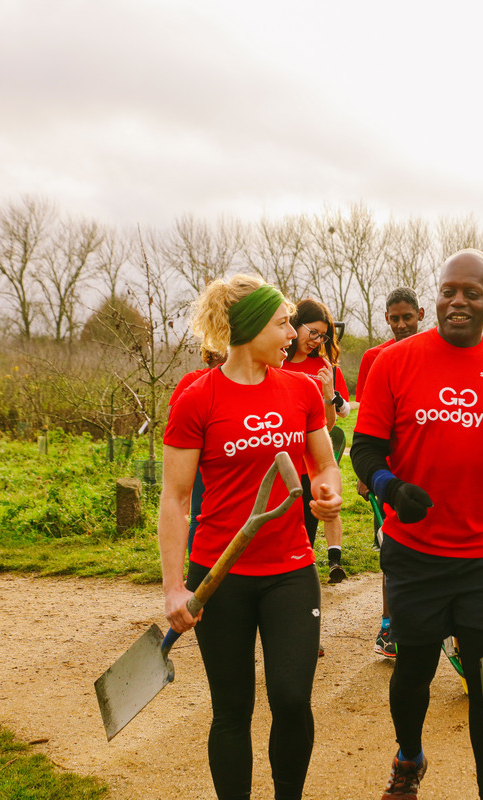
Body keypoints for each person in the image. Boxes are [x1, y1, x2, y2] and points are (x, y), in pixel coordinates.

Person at [351, 249, 483, 800]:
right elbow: (365, 449)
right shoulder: (395, 362)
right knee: (412, 672)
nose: (457, 301)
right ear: (435, 294)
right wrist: (390, 488)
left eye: (471, 292)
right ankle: (410, 756)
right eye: (448, 291)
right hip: (415, 552)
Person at [159, 275, 343, 800]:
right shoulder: (197, 399)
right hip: (219, 577)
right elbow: (174, 499)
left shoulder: (302, 390)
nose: (293, 334)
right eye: (282, 323)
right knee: (232, 709)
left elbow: (324, 465)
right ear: (248, 329)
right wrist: (175, 588)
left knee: (290, 698)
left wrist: (326, 493)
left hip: (289, 571)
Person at [354, 287, 425, 658]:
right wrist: (368, 475)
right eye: (394, 319)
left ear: (421, 315)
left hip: (421, 467)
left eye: (407, 318)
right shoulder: (374, 358)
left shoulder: (431, 355)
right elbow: (367, 422)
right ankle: (390, 623)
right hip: (386, 473)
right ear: (386, 319)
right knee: (390, 548)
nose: (401, 325)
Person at [281, 298, 352, 583]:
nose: (317, 340)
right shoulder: (274, 361)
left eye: (323, 336)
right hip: (274, 463)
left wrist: (327, 394)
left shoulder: (324, 367)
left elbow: (330, 424)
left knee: (305, 537)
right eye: (313, 332)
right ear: (296, 324)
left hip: (309, 466)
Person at [168, 346, 227, 553]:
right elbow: (175, 418)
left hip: (228, 454)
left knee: (205, 515)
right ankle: (196, 569)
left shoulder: (237, 378)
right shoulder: (194, 379)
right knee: (199, 514)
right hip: (202, 458)